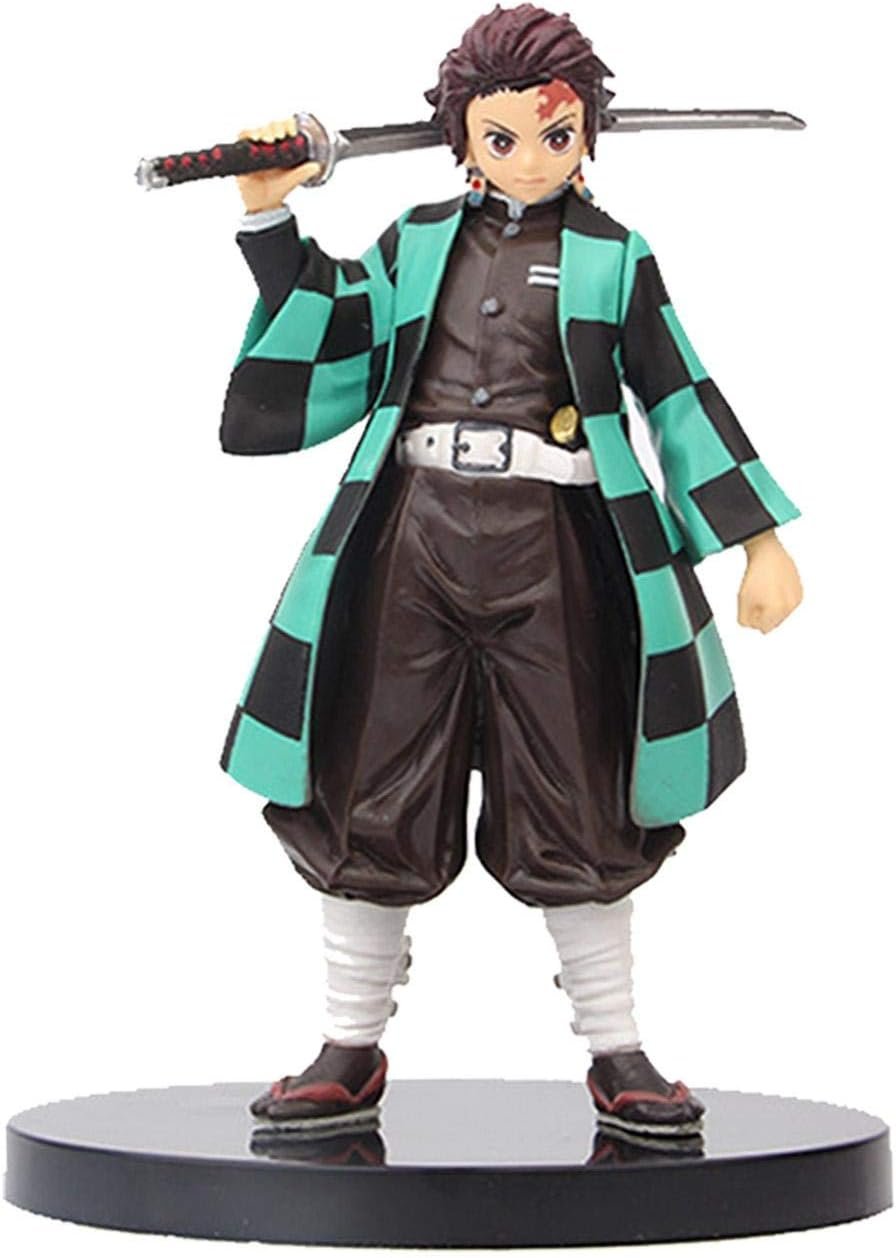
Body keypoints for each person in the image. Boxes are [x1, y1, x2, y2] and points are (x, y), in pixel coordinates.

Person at [218, 4, 802, 1139]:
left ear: (587, 134)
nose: (530, 157)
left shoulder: (612, 255)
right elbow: (338, 332)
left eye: (556, 133)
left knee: (582, 786)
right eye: (501, 137)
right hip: (409, 545)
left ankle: (617, 1048)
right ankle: (347, 1043)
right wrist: (269, 216)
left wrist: (757, 539)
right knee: (369, 780)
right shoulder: (414, 242)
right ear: (461, 139)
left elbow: (678, 390)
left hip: (559, 555)